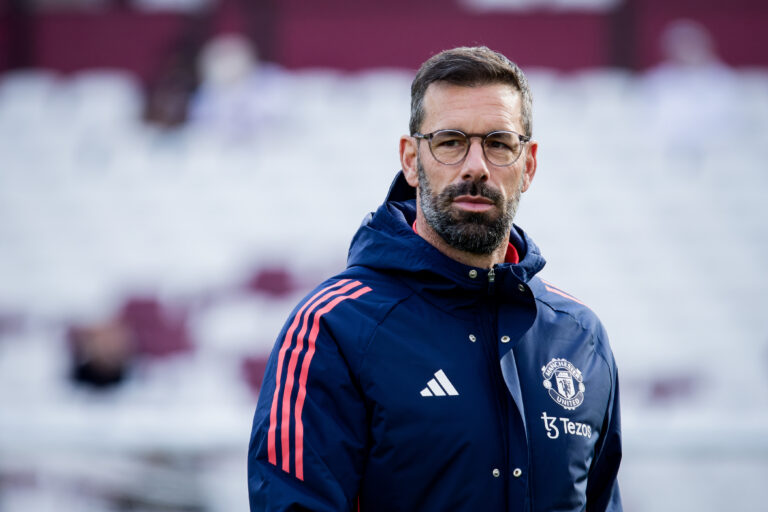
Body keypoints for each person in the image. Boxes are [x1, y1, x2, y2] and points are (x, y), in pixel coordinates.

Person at [248, 46, 622, 511]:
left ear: (528, 165)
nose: (475, 166)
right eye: (450, 141)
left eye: (499, 143)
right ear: (410, 159)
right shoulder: (333, 327)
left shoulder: (579, 336)